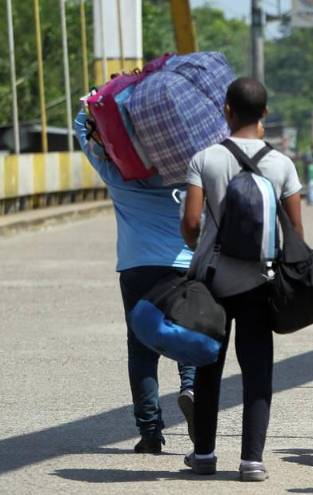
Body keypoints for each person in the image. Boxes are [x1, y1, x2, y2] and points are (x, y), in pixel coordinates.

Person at [181, 77, 303, 481]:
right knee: (257, 370)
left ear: (226, 110)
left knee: (207, 368)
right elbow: (296, 236)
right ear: (265, 113)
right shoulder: (281, 164)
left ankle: (203, 455)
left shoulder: (204, 159)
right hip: (259, 281)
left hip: (212, 281)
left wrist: (201, 241)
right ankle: (252, 460)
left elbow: (192, 224)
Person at [74, 109, 196, 454]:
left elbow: (81, 124)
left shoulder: (116, 173)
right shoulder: (183, 170)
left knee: (141, 348)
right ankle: (191, 388)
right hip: (182, 265)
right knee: (187, 333)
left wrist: (117, 97)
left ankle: (150, 431)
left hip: (136, 266)